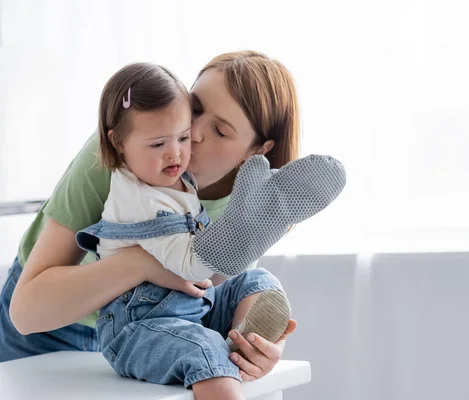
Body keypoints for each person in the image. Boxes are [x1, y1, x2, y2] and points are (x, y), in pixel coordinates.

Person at [1, 51, 342, 398]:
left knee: (256, 283)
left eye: (220, 131)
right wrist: (144, 263)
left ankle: (245, 342)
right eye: (194, 108)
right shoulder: (124, 153)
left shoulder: (251, 203)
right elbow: (28, 313)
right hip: (52, 329)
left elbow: (206, 290)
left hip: (158, 327)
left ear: (257, 151)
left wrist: (258, 347)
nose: (191, 133)